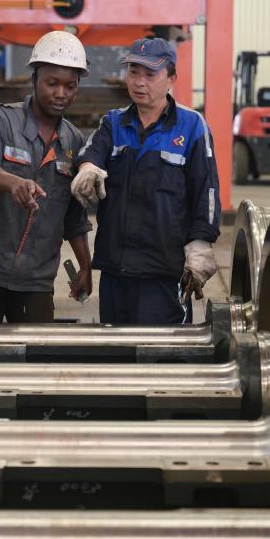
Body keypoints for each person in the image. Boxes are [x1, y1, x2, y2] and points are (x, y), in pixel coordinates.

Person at [70, 37, 219, 324]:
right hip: (115, 271)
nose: (139, 82)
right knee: (117, 347)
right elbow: (92, 152)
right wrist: (88, 168)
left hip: (164, 272)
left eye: (150, 74)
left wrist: (201, 243)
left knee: (163, 350)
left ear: (171, 79)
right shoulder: (113, 122)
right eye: (133, 72)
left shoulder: (191, 126)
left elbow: (207, 190)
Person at [0, 31, 93, 324]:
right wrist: (13, 182)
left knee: (35, 350)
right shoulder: (0, 120)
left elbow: (74, 215)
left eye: (70, 86)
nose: (61, 93)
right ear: (35, 78)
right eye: (52, 83)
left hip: (35, 276)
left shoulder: (73, 141)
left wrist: (85, 265)